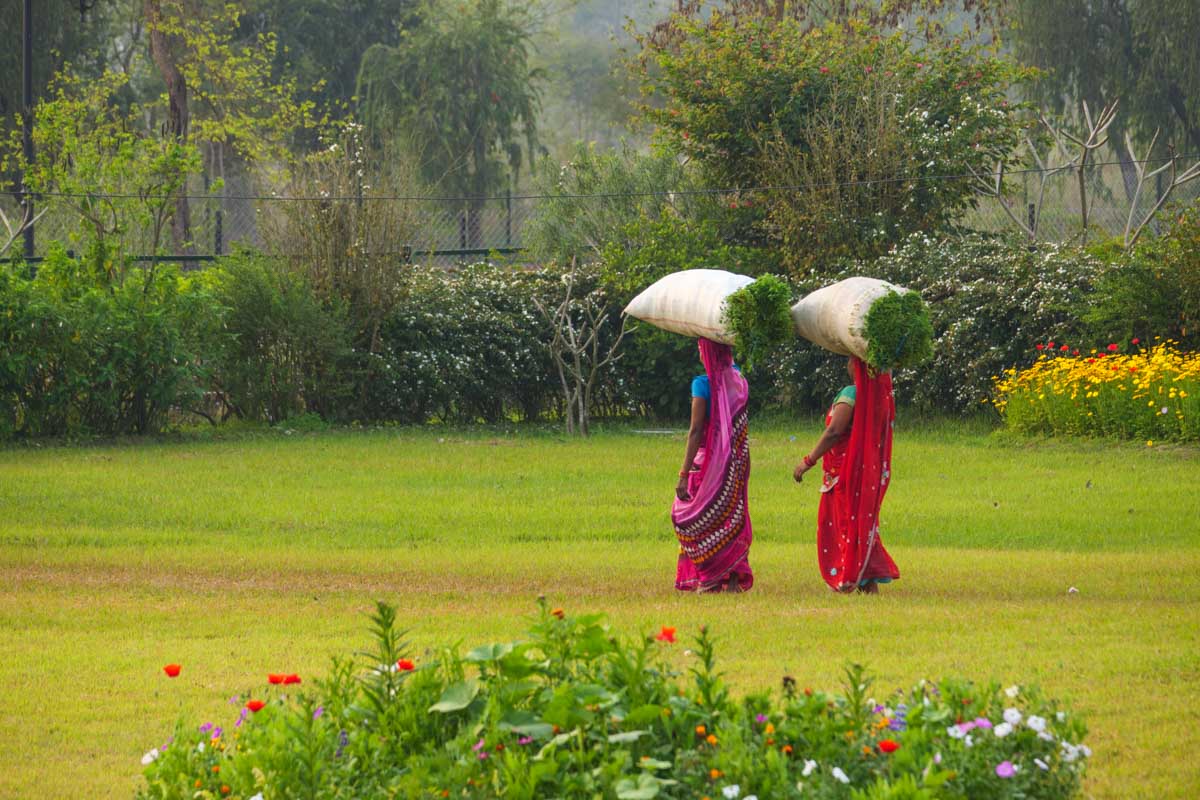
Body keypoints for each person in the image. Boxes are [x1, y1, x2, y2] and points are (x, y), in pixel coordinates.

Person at [793, 357, 899, 594]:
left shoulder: (852, 393)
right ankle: (866, 582)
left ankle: (848, 576)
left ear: (858, 365)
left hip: (844, 473)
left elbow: (834, 431)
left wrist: (808, 461)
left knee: (843, 523)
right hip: (866, 472)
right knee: (860, 524)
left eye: (851, 360)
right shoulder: (880, 395)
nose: (847, 365)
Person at [672, 338, 754, 593]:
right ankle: (730, 579)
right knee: (730, 516)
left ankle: (707, 577)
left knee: (689, 516)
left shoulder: (702, 384)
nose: (698, 353)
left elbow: (696, 430)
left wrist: (684, 473)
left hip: (709, 462)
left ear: (709, 352)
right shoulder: (739, 380)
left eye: (700, 349)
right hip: (737, 461)